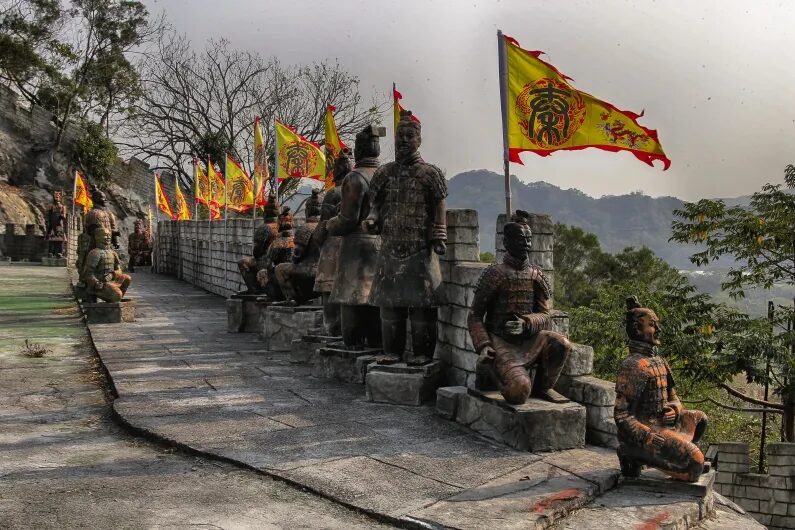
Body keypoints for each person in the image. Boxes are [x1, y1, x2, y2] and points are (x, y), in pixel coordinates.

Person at [366, 111, 446, 362]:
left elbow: (438, 208)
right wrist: (373, 219)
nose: (403, 140)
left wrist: (439, 235)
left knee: (422, 307)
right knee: (390, 306)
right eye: (400, 136)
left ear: (419, 140)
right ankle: (391, 352)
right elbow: (375, 205)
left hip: (420, 248)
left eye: (409, 136)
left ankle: (422, 354)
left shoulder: (430, 174)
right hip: (390, 246)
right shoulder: (384, 173)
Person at [468, 220, 571, 404]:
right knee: (519, 392)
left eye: (529, 240)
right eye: (521, 239)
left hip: (530, 340)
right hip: (501, 343)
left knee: (561, 343)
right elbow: (475, 315)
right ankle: (493, 372)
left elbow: (545, 315)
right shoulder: (494, 274)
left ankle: (544, 387)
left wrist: (527, 322)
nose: (526, 244)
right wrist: (484, 345)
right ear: (507, 242)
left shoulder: (536, 275)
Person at [614, 296, 708, 482]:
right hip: (648, 432)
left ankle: (674, 457)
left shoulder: (659, 362)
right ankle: (633, 454)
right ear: (637, 329)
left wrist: (674, 409)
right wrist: (647, 436)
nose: (658, 330)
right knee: (696, 464)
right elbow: (621, 415)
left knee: (700, 418)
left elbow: (673, 398)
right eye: (652, 325)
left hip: (664, 424)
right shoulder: (633, 366)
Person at [326, 126, 385, 348]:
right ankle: (376, 344)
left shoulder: (355, 178)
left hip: (357, 246)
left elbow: (348, 219)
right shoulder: (386, 174)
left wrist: (331, 224)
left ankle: (351, 345)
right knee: (375, 297)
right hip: (382, 244)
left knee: (350, 296)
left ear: (360, 149)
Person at [313, 148, 352, 335]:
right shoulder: (361, 187)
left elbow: (323, 225)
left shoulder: (334, 193)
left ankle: (331, 328)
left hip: (334, 246)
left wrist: (317, 239)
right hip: (357, 247)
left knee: (328, 287)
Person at [274, 190, 322, 304]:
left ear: (308, 210)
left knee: (280, 269)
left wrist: (294, 259)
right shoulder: (327, 226)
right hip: (325, 268)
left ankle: (291, 298)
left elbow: (297, 254)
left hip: (310, 269)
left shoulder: (306, 228)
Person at [237, 193, 280, 294]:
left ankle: (254, 289)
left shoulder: (264, 228)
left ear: (265, 214)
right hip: (281, 260)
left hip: (267, 261)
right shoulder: (280, 226)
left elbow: (257, 251)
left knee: (243, 262)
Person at [83, 227, 131, 303]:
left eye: (109, 235)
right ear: (97, 237)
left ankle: (116, 296)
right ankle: (115, 296)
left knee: (127, 278)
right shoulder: (95, 253)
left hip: (111, 280)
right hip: (101, 283)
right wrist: (96, 283)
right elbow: (88, 273)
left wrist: (113, 274)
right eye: (105, 235)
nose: (108, 237)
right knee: (117, 295)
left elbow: (119, 269)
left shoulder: (112, 252)